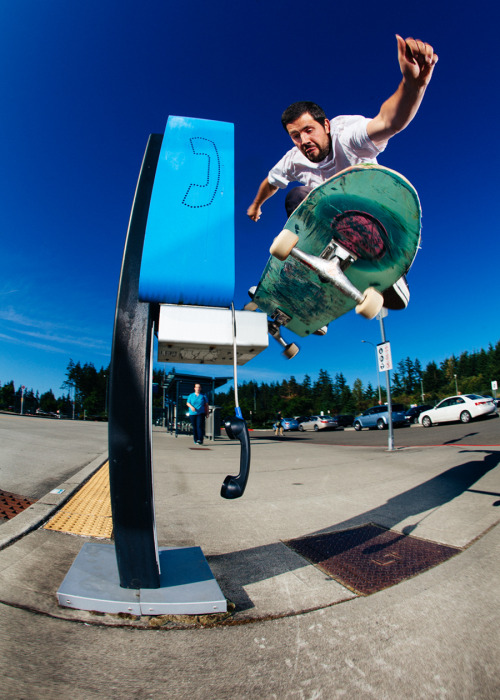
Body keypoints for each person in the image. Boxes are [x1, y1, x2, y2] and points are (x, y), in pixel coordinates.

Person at [247, 35, 438, 310]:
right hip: (336, 227)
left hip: (376, 218)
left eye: (309, 131)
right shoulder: (294, 159)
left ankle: (392, 272)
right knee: (296, 197)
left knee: (306, 195)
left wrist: (414, 85)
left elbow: (389, 121)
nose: (304, 142)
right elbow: (271, 181)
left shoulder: (348, 136)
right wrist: (255, 206)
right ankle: (315, 281)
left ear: (326, 125)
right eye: (295, 136)